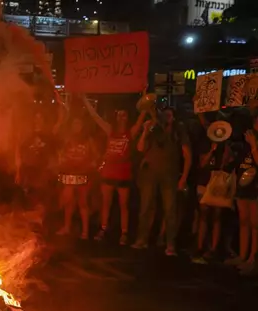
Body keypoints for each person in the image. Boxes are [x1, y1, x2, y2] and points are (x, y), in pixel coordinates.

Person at [83, 96, 147, 245]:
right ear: (116, 117)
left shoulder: (131, 132)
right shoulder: (110, 130)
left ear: (127, 117)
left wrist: (145, 100)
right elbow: (95, 117)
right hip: (109, 171)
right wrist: (86, 101)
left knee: (123, 205)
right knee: (106, 202)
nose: (121, 117)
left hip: (123, 172)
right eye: (119, 115)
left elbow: (141, 119)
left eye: (124, 115)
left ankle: (124, 233)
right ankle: (103, 229)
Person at [133, 107, 192, 256]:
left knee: (170, 210)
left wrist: (184, 177)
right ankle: (142, 240)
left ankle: (170, 244)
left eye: (169, 115)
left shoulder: (179, 131)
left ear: (173, 117)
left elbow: (187, 155)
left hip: (170, 176)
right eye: (164, 115)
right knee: (145, 207)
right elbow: (140, 148)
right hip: (150, 174)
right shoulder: (154, 130)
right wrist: (145, 131)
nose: (166, 118)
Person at [191, 133, 232, 264]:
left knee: (217, 216)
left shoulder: (226, 146)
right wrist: (211, 151)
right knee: (203, 214)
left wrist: (226, 152)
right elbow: (202, 164)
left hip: (217, 184)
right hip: (204, 183)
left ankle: (213, 248)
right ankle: (200, 246)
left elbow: (227, 164)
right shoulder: (205, 143)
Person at [56, 115, 97, 240]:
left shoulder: (88, 140)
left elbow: (96, 156)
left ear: (83, 126)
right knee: (69, 202)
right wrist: (61, 159)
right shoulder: (68, 139)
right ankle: (67, 227)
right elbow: (61, 154)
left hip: (83, 174)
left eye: (79, 123)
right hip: (70, 173)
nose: (76, 126)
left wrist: (92, 164)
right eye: (74, 124)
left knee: (82, 203)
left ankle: (85, 231)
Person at [228, 119, 258, 275]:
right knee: (244, 222)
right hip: (242, 187)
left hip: (255, 189)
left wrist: (254, 145)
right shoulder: (243, 145)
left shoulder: (253, 144)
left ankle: (252, 259)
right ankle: (242, 255)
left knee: (255, 225)